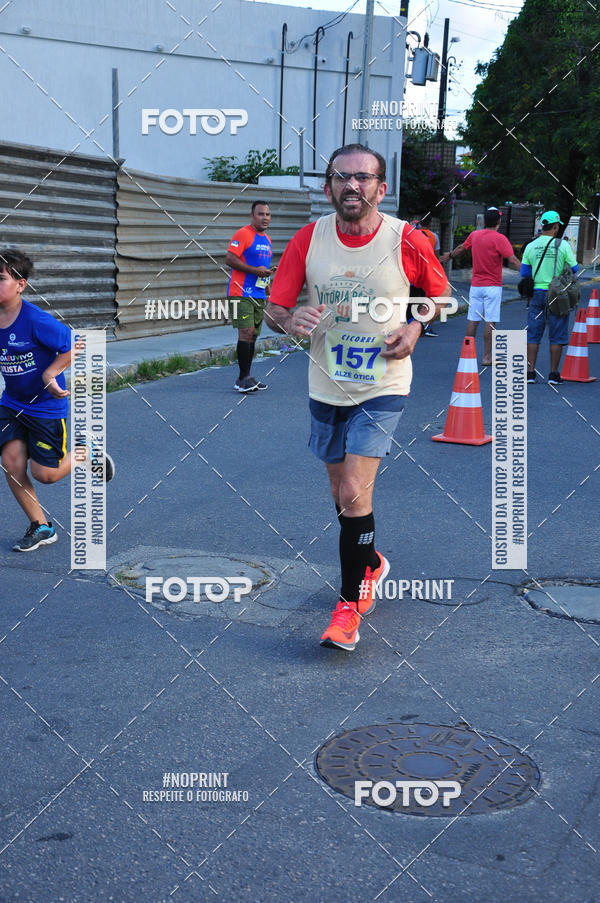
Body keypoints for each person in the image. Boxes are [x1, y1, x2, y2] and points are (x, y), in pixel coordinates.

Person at [265, 143, 450, 652]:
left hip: (384, 384)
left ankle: (348, 608)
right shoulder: (309, 239)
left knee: (351, 490)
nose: (353, 186)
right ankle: (371, 562)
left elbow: (439, 298)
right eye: (343, 178)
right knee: (343, 494)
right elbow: (275, 308)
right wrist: (290, 320)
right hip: (325, 383)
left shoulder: (406, 239)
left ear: (380, 188)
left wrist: (415, 327)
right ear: (329, 187)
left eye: (364, 178)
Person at [0, 249, 114, 552]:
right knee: (11, 463)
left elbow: (74, 343)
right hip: (12, 403)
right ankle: (41, 526)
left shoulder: (36, 320)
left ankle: (84, 453)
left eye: (0, 279)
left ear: (21, 284)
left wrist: (51, 372)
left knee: (45, 474)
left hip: (45, 407)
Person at [441, 207, 520, 365]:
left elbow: (461, 248)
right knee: (490, 321)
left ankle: (467, 354)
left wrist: (448, 256)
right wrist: (528, 272)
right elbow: (512, 260)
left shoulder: (474, 235)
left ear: (484, 221)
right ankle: (486, 357)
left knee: (473, 319)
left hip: (476, 286)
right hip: (492, 287)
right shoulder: (500, 239)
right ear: (498, 221)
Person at [520, 210, 579, 384]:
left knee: (533, 334)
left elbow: (524, 272)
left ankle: (530, 373)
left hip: (537, 294)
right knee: (557, 334)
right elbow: (575, 269)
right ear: (554, 226)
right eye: (557, 226)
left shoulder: (531, 245)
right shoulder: (563, 245)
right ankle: (553, 374)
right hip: (557, 294)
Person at [226, 201, 273, 392]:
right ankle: (242, 378)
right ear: (252, 216)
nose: (265, 218)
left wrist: (269, 291)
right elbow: (230, 259)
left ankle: (247, 376)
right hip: (240, 293)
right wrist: (255, 270)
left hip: (258, 294)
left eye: (268, 215)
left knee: (253, 335)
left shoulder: (267, 240)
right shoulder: (243, 234)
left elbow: (263, 270)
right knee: (245, 332)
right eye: (260, 214)